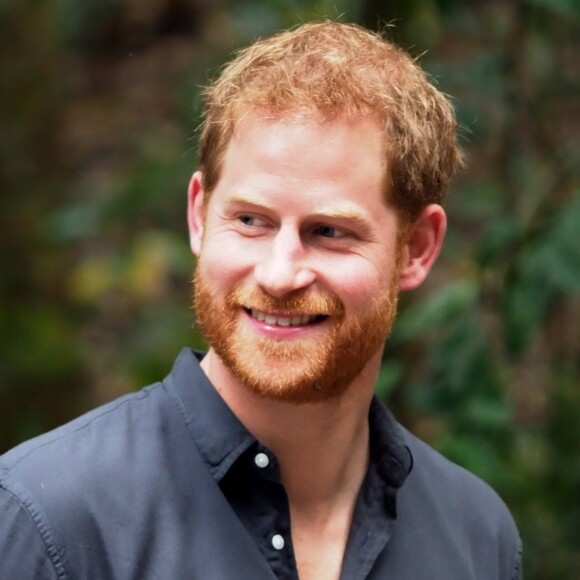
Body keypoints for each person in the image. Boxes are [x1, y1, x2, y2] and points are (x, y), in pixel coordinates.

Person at [0, 21, 521, 580]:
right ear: (200, 215)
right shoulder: (48, 519)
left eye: (329, 232)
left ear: (415, 249)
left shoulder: (474, 535)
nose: (279, 274)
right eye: (250, 221)